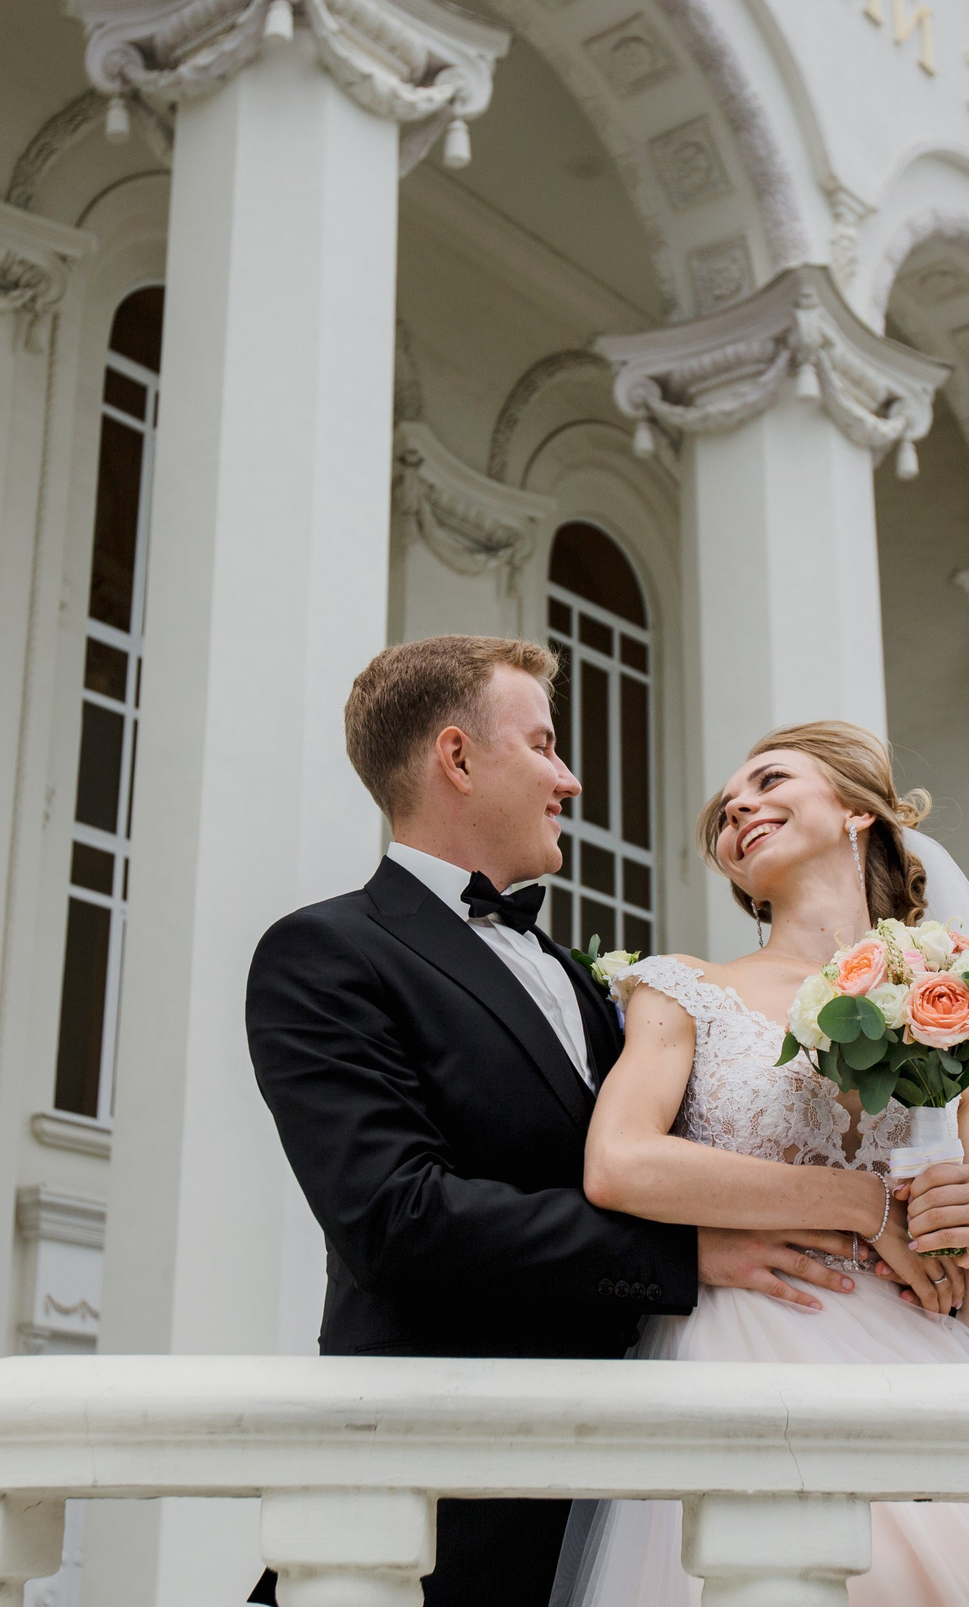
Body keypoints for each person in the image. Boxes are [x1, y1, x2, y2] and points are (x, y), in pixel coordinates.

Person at [246, 639, 923, 1607]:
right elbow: (396, 1218)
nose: (568, 778)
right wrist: (684, 1256)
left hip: (622, 1502)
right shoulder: (326, 952)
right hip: (441, 1503)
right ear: (457, 758)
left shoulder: (577, 978)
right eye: (544, 746)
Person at [561, 720, 969, 1607]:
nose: (738, 807)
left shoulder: (951, 1012)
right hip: (753, 1358)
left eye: (770, 781)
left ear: (857, 811)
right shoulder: (685, 988)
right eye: (725, 810)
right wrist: (864, 1203)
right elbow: (620, 1163)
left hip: (917, 1384)